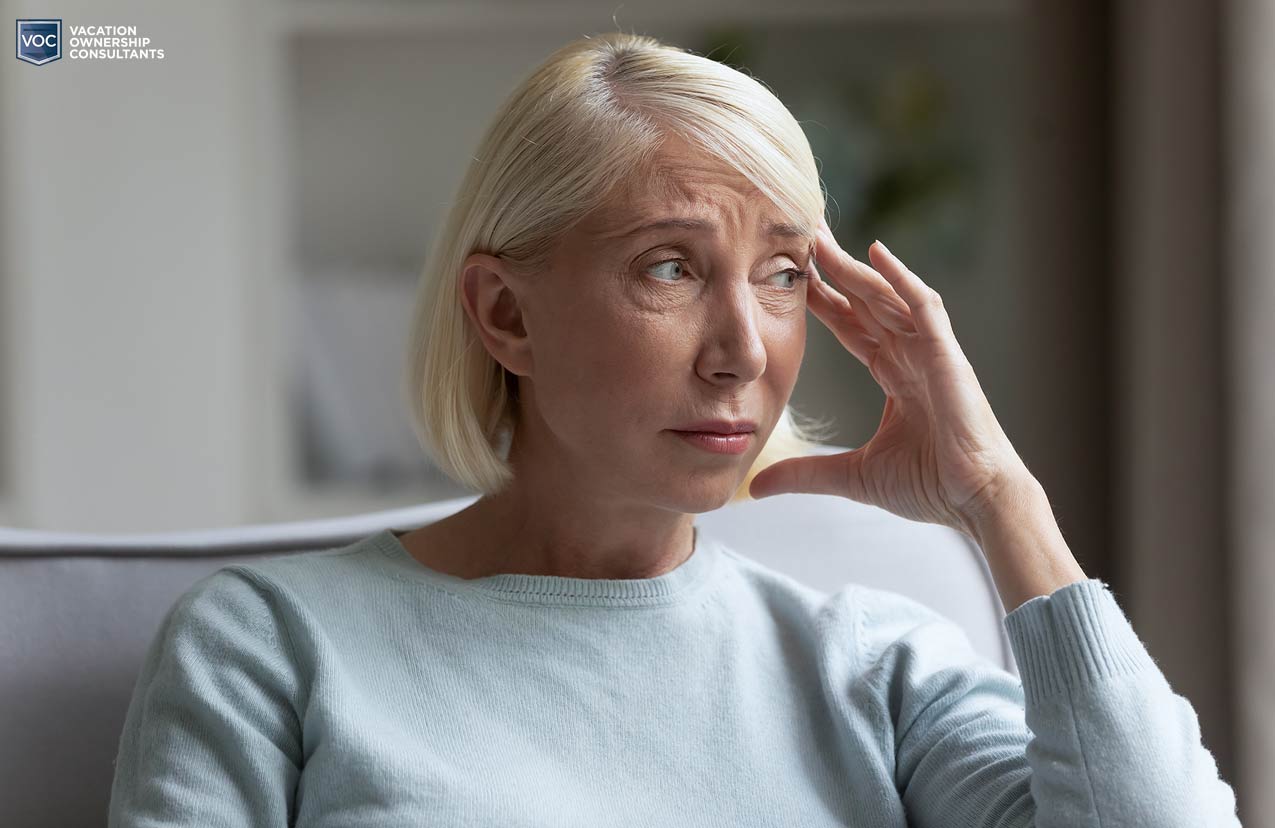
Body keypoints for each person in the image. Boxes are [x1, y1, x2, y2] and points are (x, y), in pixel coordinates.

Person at [107, 31, 1243, 826]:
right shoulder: (267, 648)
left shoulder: (873, 668)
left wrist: (999, 494)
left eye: (784, 274)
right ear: (505, 314)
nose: (746, 347)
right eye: (670, 266)